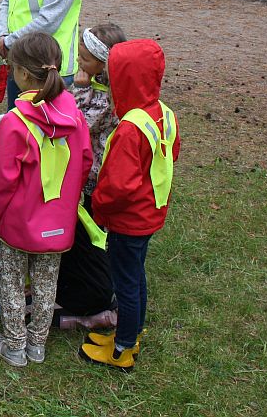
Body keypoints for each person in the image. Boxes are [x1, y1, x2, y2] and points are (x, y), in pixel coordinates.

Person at [0, 33, 92, 367]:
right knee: (46, 280)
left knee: (11, 281)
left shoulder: (16, 123)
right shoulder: (76, 118)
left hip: (17, 223)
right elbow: (84, 162)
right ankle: (37, 344)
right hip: (58, 221)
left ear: (23, 74)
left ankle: (15, 345)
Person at [81, 39, 180, 371]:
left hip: (128, 219)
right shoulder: (162, 112)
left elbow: (118, 186)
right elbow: (171, 152)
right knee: (135, 276)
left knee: (125, 281)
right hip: (151, 210)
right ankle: (131, 331)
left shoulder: (129, 129)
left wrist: (99, 207)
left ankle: (123, 349)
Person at [56, 23, 129, 333]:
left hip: (99, 176)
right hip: (90, 173)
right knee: (91, 228)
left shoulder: (107, 98)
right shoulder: (103, 89)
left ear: (104, 64)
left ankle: (102, 283)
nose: (79, 63)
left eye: (85, 59)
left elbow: (78, 121)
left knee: (99, 232)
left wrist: (80, 87)